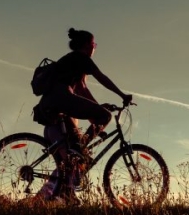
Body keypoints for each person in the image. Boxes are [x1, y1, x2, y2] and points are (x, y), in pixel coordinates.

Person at [34, 28, 133, 200]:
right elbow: (102, 77)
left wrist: (96, 109)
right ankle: (81, 147)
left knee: (69, 163)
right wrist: (122, 95)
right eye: (94, 44)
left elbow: (82, 90)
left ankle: (59, 194)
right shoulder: (81, 58)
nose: (94, 47)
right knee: (105, 118)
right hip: (61, 98)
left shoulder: (71, 62)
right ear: (88, 45)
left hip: (50, 105)